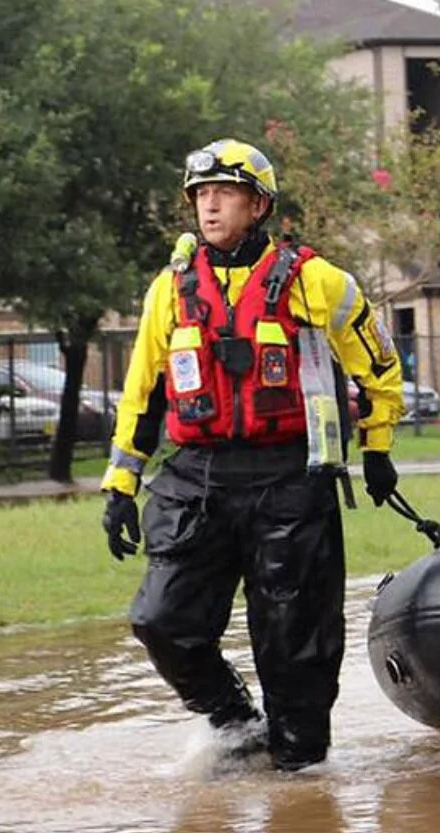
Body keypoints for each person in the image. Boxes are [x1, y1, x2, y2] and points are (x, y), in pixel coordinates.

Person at [98, 138, 405, 771]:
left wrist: (377, 447)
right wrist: (120, 484)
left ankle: (301, 775)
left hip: (290, 479)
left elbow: (377, 365)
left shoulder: (316, 281)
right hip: (196, 481)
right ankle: (236, 723)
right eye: (200, 196)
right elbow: (143, 392)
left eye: (224, 194)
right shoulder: (170, 290)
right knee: (161, 621)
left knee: (296, 649)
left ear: (257, 204)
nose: (209, 207)